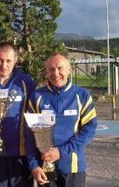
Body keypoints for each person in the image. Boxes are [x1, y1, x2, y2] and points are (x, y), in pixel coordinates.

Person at [25, 53, 97, 187]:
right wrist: (33, 165)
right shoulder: (37, 97)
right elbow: (29, 135)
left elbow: (89, 130)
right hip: (45, 167)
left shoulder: (81, 96)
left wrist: (61, 152)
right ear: (46, 72)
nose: (56, 73)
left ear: (69, 69)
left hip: (73, 167)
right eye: (51, 69)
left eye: (60, 68)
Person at [0, 42, 36, 187]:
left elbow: (35, 114)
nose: (3, 64)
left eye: (8, 60)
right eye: (0, 60)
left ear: (16, 60)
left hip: (20, 153)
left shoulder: (26, 83)